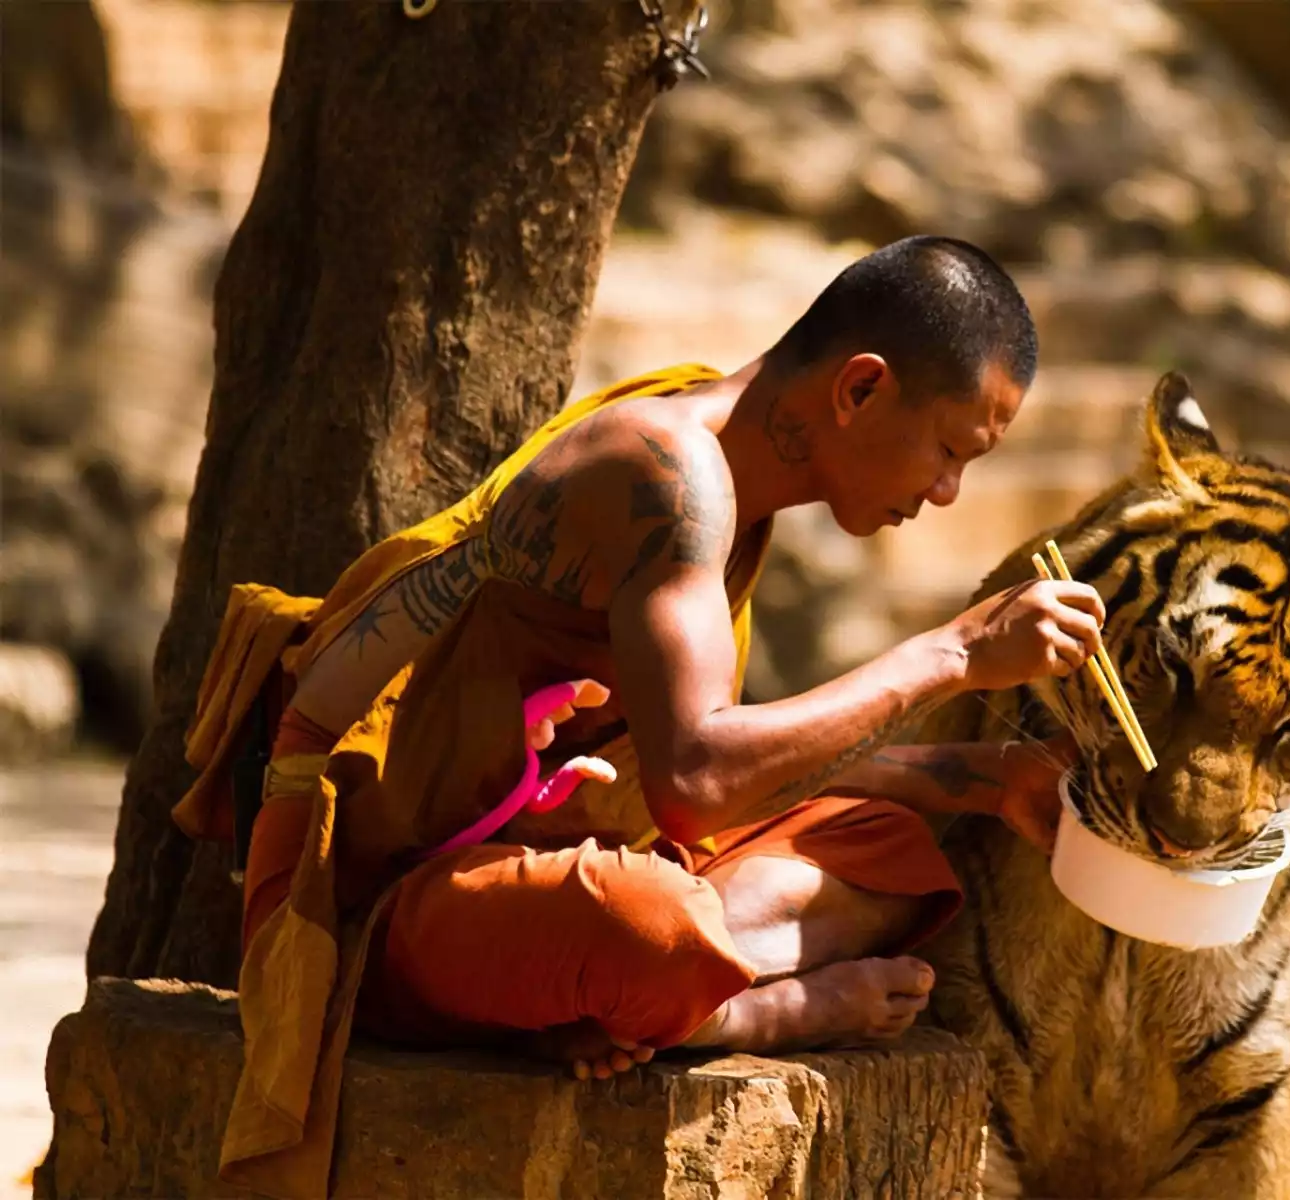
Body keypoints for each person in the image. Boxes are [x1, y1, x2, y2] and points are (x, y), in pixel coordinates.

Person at [172, 235, 1105, 1196]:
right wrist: (947, 655)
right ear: (860, 389)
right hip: (374, 893)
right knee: (640, 926)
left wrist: (981, 780)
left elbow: (707, 753)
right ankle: (741, 1012)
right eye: (951, 450)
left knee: (895, 851)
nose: (947, 492)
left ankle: (633, 998)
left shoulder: (736, 482)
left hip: (542, 844)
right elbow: (699, 783)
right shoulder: (666, 474)